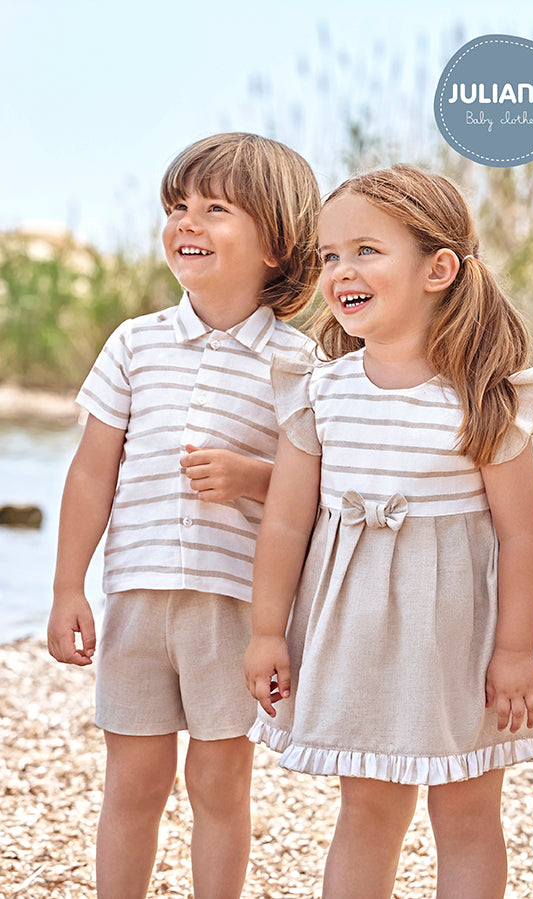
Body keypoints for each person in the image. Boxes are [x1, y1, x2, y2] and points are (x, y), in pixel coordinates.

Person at [244, 165, 533, 899]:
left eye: (365, 250)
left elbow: (521, 536)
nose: (339, 270)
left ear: (438, 269)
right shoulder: (319, 391)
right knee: (367, 806)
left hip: (463, 637)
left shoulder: (485, 398)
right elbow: (288, 521)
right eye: (327, 255)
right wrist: (266, 630)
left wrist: (513, 652)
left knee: (468, 810)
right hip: (357, 634)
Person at [47, 132, 321, 899]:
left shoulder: (297, 364)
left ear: (276, 243)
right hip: (135, 595)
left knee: (219, 781)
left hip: (233, 604)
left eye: (214, 208)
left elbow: (317, 491)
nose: (186, 222)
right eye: (177, 206)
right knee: (132, 781)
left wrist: (251, 475)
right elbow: (91, 471)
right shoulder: (135, 343)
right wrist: (70, 585)